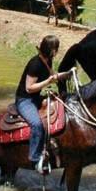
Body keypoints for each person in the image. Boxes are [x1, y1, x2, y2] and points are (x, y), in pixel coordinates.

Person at [15, 35, 71, 174]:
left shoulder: (48, 60)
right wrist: (48, 82)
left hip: (36, 97)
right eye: (56, 48)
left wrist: (67, 74)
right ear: (51, 49)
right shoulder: (35, 63)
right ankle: (35, 159)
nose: (57, 50)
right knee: (37, 124)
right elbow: (29, 87)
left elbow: (53, 75)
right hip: (25, 99)